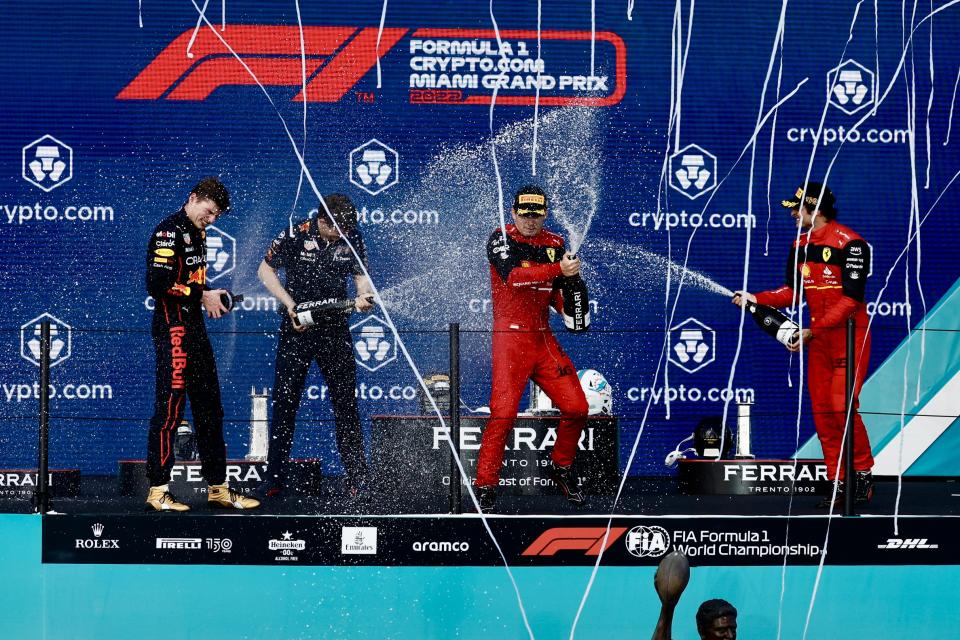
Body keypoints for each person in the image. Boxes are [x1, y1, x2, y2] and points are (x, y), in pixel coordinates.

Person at [732, 182, 874, 507]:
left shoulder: (851, 243)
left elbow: (852, 300)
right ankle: (838, 480)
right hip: (819, 338)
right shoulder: (800, 244)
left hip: (849, 338)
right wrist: (757, 298)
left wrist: (813, 330)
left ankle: (862, 474)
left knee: (841, 407)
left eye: (798, 209)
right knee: (823, 412)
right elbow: (792, 293)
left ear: (816, 209)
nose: (794, 214)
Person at [144, 177, 260, 511]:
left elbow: (190, 280)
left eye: (215, 217)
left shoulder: (200, 232)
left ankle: (218, 488)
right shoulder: (169, 231)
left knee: (210, 410)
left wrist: (211, 294)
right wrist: (202, 294)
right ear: (193, 198)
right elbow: (157, 283)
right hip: (173, 330)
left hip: (194, 329)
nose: (210, 220)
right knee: (169, 412)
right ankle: (158, 492)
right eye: (208, 212)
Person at [474, 185, 590, 513]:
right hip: (510, 340)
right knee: (504, 414)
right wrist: (559, 270)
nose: (529, 220)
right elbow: (513, 277)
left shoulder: (555, 244)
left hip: (543, 340)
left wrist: (572, 303)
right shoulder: (500, 238)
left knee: (577, 407)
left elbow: (557, 294)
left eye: (535, 214)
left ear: (544, 214)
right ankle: (485, 485)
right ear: (513, 212)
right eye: (523, 214)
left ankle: (561, 466)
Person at [257, 194, 374, 498]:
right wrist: (290, 305)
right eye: (339, 228)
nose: (344, 232)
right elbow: (264, 271)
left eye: (349, 227)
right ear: (322, 221)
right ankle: (274, 479)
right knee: (285, 405)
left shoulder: (352, 237)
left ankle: (357, 477)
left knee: (346, 405)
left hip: (334, 331)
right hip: (298, 330)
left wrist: (364, 297)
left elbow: (361, 279)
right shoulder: (295, 234)